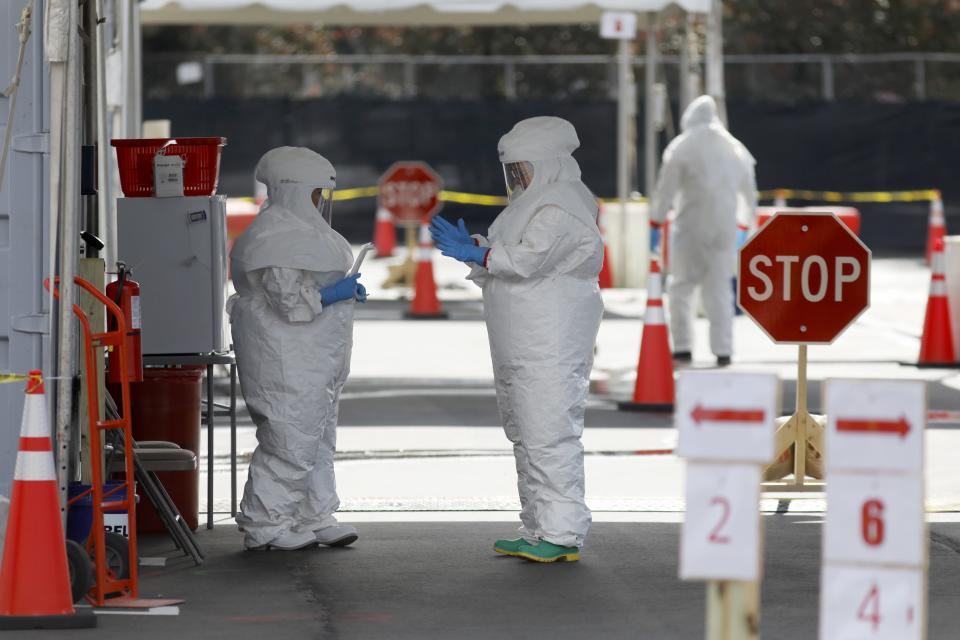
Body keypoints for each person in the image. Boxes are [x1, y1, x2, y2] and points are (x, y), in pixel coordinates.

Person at [430, 116, 603, 563]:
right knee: (527, 433)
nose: (517, 178)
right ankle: (538, 527)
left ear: (546, 164)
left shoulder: (562, 205)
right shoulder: (534, 203)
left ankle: (562, 532)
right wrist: (478, 246)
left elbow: (528, 260)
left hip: (548, 339)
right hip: (522, 339)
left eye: (523, 168)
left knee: (548, 433)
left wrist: (481, 252)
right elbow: (509, 258)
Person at [229, 147, 366, 551]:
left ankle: (313, 513)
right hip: (286, 357)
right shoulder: (275, 236)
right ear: (293, 191)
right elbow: (289, 302)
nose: (321, 203)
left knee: (316, 438)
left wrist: (339, 294)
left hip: (313, 356)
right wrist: (332, 294)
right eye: (315, 194)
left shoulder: (304, 233)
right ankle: (266, 524)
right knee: (289, 438)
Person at [650, 95, 757, 367]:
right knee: (720, 289)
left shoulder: (682, 146)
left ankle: (683, 347)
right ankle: (723, 350)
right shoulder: (736, 149)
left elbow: (666, 190)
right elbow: (750, 195)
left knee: (682, 287)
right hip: (725, 228)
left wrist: (656, 221)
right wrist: (745, 226)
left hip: (690, 228)